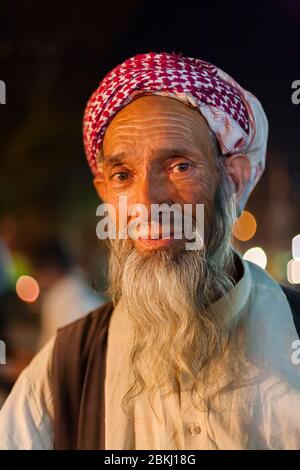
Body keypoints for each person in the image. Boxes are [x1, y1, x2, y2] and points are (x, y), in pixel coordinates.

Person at [0, 52, 300, 450]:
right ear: (106, 195)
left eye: (179, 167)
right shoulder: (66, 371)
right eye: (123, 176)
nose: (147, 202)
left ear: (232, 180)